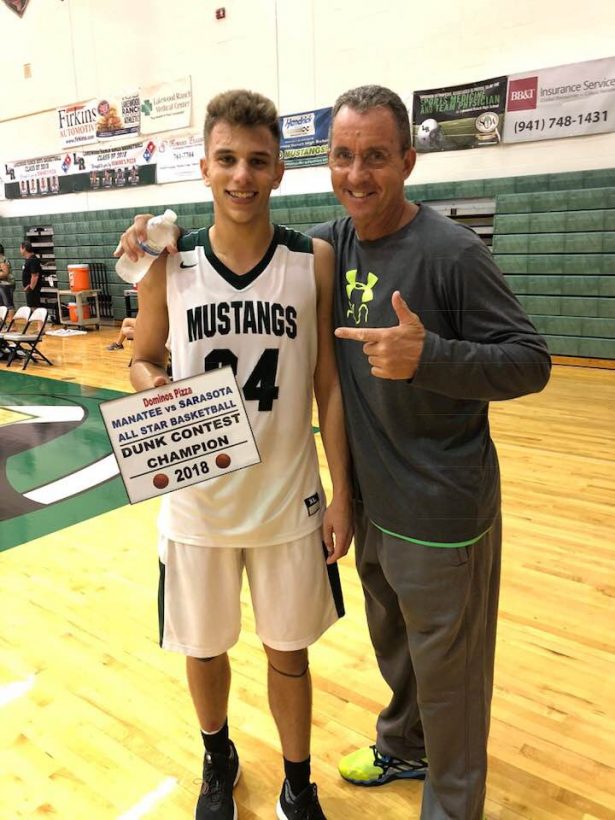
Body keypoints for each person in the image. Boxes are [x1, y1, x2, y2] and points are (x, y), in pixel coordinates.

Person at [116, 84, 551, 820]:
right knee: (387, 649)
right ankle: (372, 744)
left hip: (420, 503)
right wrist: (147, 258)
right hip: (312, 499)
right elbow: (193, 289)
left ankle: (424, 800)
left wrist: (429, 359)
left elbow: (525, 362)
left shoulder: (423, 252)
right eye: (344, 157)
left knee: (445, 670)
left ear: (408, 160)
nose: (356, 174)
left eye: (375, 157)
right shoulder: (315, 243)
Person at [125, 90, 352, 820]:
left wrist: (341, 493)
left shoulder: (311, 260)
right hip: (197, 499)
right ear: (203, 167)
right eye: (226, 159)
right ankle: (216, 754)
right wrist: (156, 387)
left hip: (287, 499)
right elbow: (141, 358)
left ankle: (297, 778)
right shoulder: (168, 262)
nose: (241, 176)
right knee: (205, 645)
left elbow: (327, 385)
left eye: (257, 161)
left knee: (289, 653)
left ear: (280, 170)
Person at [19, 240, 43, 308]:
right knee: (31, 307)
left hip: (33, 290)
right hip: (30, 290)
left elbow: (35, 276)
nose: (20, 250)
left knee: (34, 308)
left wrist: (30, 288)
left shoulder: (33, 260)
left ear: (24, 249)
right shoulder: (29, 259)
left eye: (20, 248)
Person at [0, 243, 16, 322]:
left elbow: (5, 273)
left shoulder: (2, 259)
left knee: (8, 305)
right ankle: (3, 325)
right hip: (2, 285)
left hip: (6, 285)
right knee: (1, 306)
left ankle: (12, 326)